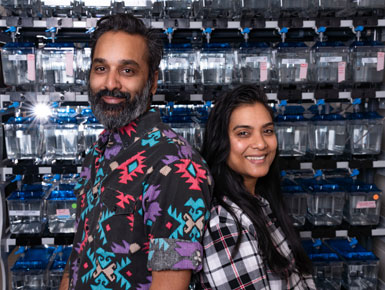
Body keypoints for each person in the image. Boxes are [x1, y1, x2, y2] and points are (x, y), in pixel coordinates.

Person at [60, 13, 212, 290]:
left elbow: (170, 283)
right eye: (101, 68)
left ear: (152, 82)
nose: (110, 84)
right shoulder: (96, 153)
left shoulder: (177, 165)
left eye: (127, 70)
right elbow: (77, 259)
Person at [197, 85, 315, 289]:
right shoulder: (225, 225)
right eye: (243, 133)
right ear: (220, 142)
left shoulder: (260, 202)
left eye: (267, 131)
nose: (261, 144)